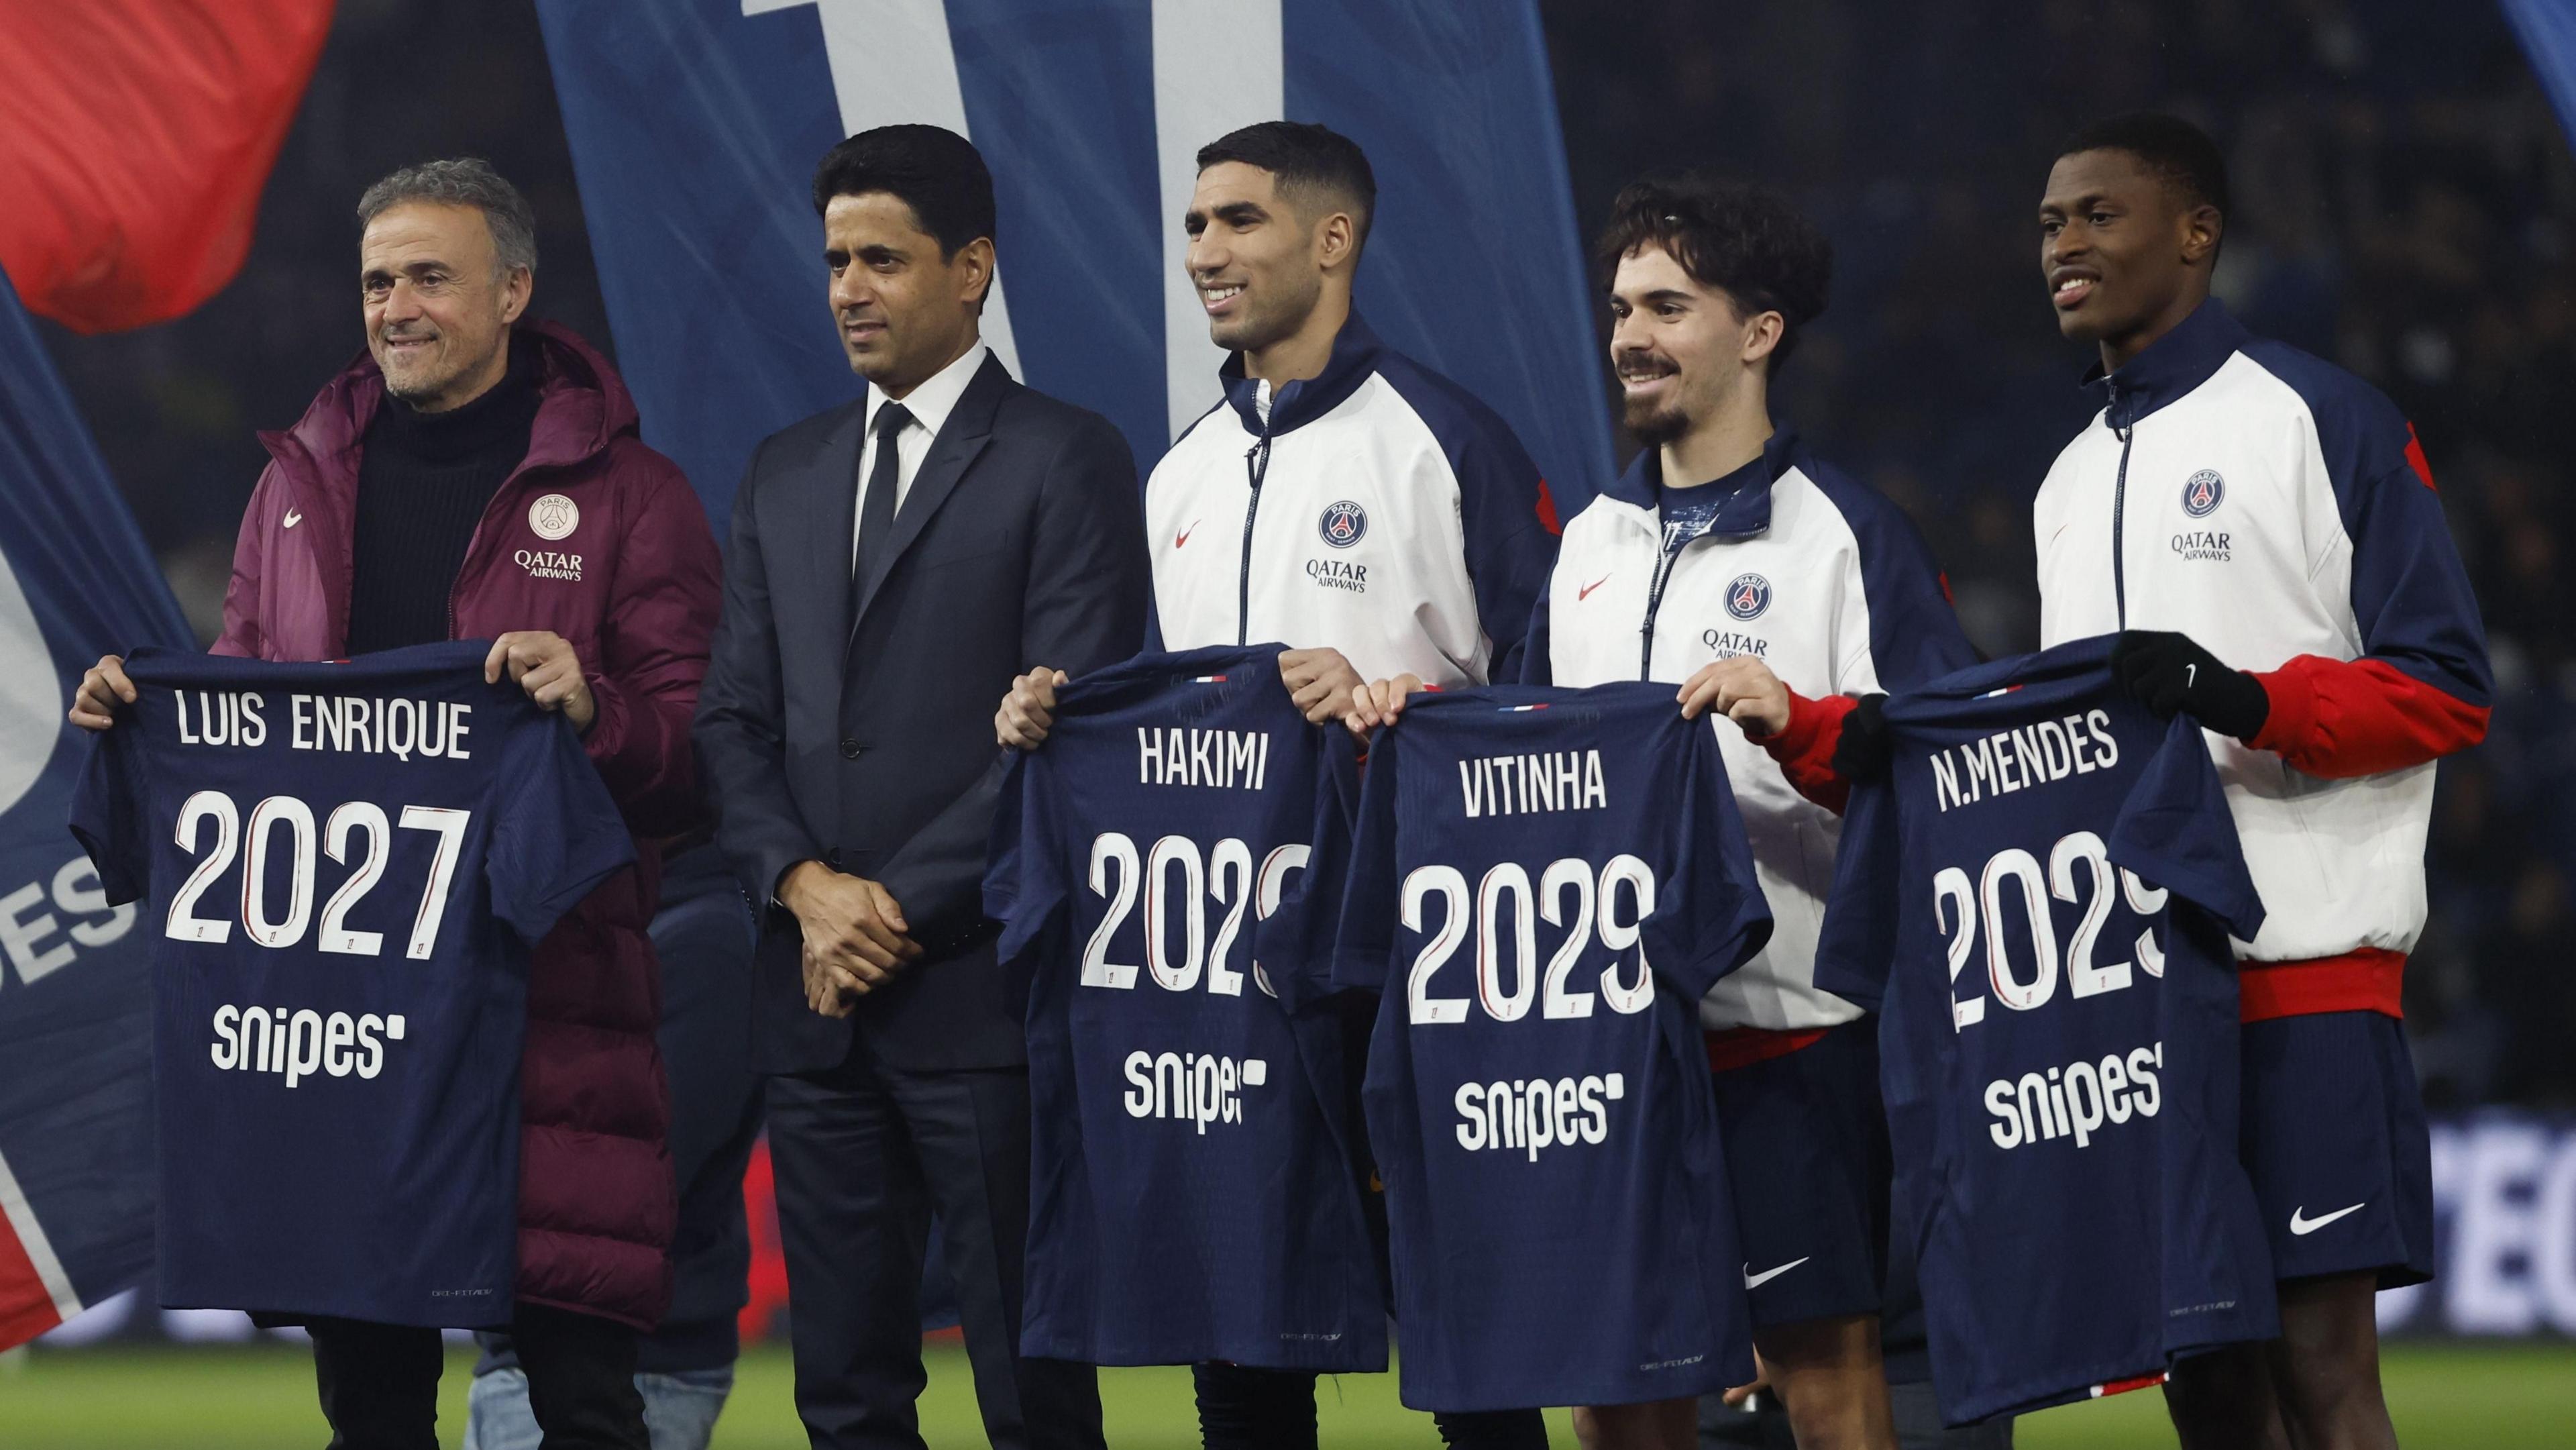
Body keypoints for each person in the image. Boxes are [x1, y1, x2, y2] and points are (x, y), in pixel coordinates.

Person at [69, 157, 722, 1449]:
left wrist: (594, 707)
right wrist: (148, 710)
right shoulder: (293, 490)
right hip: (345, 1020)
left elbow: (701, 760)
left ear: (515, 290)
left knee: (585, 1402)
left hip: (551, 1006)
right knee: (368, 1410)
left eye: (432, 275)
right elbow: (251, 720)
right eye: (379, 280)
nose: (397, 306)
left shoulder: (636, 499)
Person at [991, 120, 1558, 1449]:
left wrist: (1398, 711)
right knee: (1238, 1344)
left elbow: (1551, 704)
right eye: (1194, 226)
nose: (1203, 252)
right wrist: (1052, 716)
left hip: (1409, 966)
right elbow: (1161, 719)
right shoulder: (1179, 470)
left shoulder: (1445, 443)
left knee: (1463, 1336)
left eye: (1238, 221)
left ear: (1333, 238)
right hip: (1219, 980)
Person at [1414, 172, 1968, 1450]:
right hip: (1608, 1044)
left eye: (1668, 304)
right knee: (1621, 1376)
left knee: (1824, 1381)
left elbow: (1939, 774)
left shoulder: (1845, 540)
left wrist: (1801, 723)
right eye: (1620, 308)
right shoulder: (1590, 542)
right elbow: (1533, 778)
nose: (1629, 336)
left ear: (1758, 331)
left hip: (1790, 1032)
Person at [2029, 113, 2489, 1450]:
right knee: (2202, 1375)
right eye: (2051, 222)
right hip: (2133, 996)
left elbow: (2447, 687)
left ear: (2197, 233)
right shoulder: (2067, 480)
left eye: (2100, 215)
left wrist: (2241, 697)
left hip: (2302, 969)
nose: (2064, 243)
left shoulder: (2320, 417)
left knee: (2318, 1360)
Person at [691, 123, 1148, 1450]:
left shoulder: (1068, 456)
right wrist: (803, 889)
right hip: (812, 997)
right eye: (836, 259)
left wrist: (879, 912)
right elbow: (731, 719)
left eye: (882, 258)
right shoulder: (784, 469)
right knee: (841, 1392)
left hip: (980, 996)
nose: (848, 288)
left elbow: (1075, 735)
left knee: (1031, 1391)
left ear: (974, 269)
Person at [466, 834, 766, 1450]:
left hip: (633, 1359)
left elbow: (637, 1176)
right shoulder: (607, 913)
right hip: (552, 1346)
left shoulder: (707, 932)